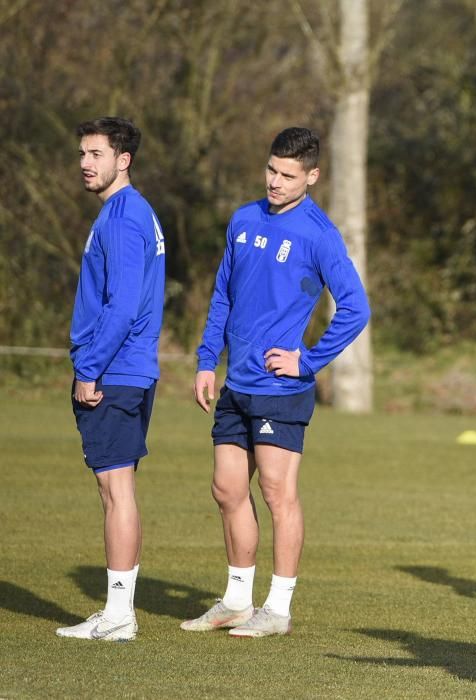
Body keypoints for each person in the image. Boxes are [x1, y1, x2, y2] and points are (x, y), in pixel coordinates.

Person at [181, 127, 370, 638]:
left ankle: (278, 608)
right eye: (271, 170)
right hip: (235, 384)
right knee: (226, 489)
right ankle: (237, 601)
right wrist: (205, 360)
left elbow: (356, 309)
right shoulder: (243, 219)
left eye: (288, 175)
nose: (276, 182)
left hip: (280, 390)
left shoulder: (319, 234)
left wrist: (307, 361)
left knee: (276, 491)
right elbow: (222, 294)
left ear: (312, 176)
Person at [57, 117, 166, 642]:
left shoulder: (123, 217)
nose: (84, 162)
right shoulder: (131, 212)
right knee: (119, 490)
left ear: (123, 160)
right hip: (130, 369)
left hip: (115, 370)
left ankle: (120, 616)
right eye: (82, 153)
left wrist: (89, 367)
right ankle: (119, 610)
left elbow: (121, 305)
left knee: (115, 490)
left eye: (95, 154)